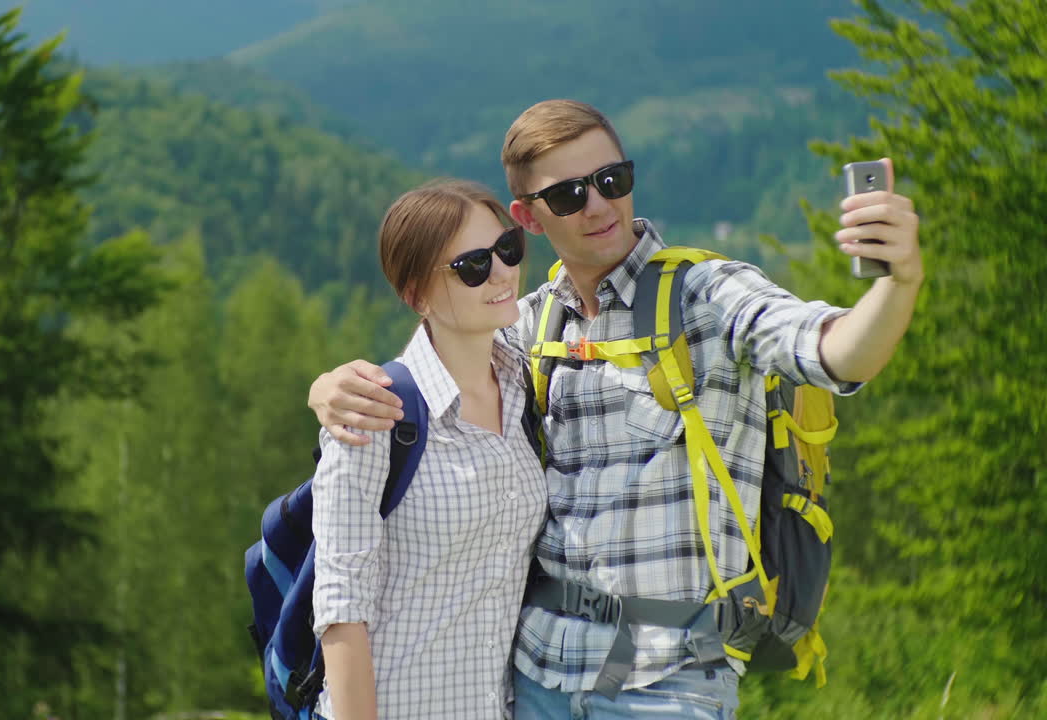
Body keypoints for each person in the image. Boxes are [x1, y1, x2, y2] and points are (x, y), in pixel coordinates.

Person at [308, 99, 923, 719]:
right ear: (529, 218)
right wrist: (331, 388)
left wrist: (897, 282)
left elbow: (835, 351)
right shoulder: (532, 325)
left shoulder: (706, 296)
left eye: (612, 180)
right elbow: (441, 360)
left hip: (669, 677)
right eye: (569, 195)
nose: (599, 205)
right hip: (535, 675)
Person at [310, 179, 547, 720]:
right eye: (472, 267)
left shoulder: (524, 387)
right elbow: (342, 608)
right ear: (417, 296)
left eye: (507, 248)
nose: (502, 273)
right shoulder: (376, 413)